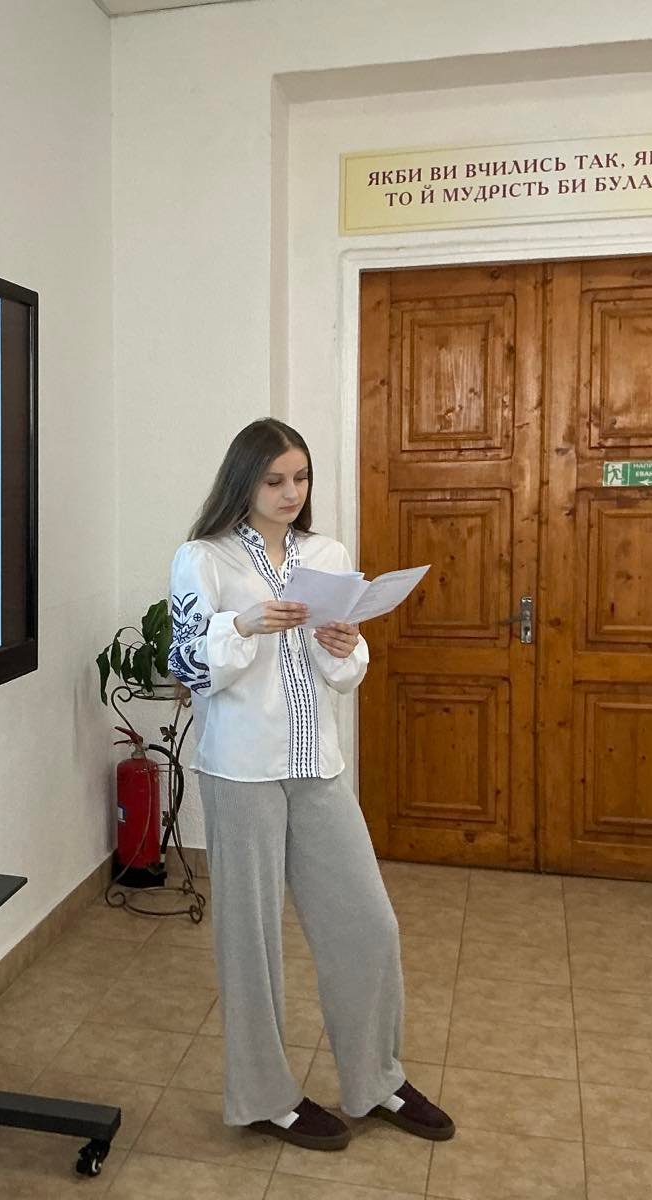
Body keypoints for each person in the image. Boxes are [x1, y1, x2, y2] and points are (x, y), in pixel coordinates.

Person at [166, 418, 454, 1152]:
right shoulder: (202, 559)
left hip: (316, 766)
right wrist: (245, 625)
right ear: (244, 480)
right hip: (241, 773)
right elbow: (188, 667)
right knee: (252, 943)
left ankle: (378, 1079)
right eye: (274, 480)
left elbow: (341, 675)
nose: (290, 492)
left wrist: (345, 645)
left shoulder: (327, 556)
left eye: (300, 478)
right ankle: (266, 1097)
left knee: (369, 924)